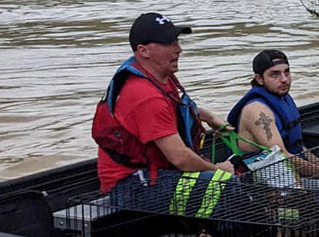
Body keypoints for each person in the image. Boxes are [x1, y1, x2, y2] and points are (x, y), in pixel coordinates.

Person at [93, 12, 235, 216]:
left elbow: (178, 108)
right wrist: (218, 169)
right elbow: (181, 159)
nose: (179, 49)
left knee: (232, 173)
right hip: (132, 188)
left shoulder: (159, 77)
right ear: (144, 51)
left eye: (176, 41)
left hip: (155, 174)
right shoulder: (145, 96)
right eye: (169, 43)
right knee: (225, 184)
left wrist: (210, 118)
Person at [226, 50, 319, 178]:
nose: (284, 79)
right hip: (262, 180)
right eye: (275, 74)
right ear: (259, 79)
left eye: (287, 72)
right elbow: (281, 156)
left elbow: (298, 146)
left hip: (290, 171)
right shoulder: (257, 110)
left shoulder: (282, 98)